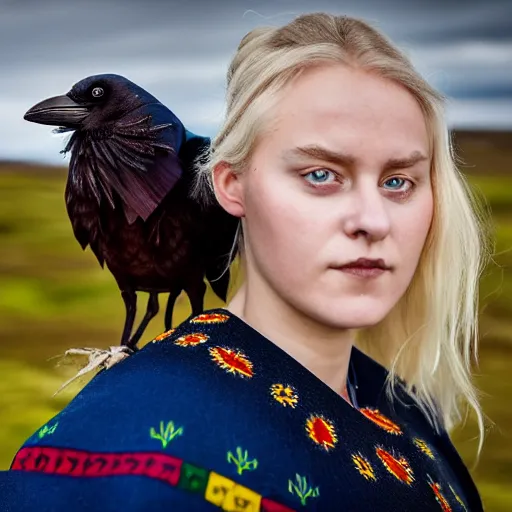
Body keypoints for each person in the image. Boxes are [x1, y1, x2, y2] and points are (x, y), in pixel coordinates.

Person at [0, 12, 489, 512]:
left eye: (397, 181)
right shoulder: (132, 456)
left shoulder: (412, 416)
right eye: (321, 173)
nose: (372, 220)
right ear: (230, 185)